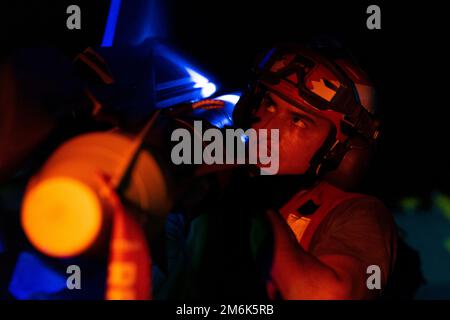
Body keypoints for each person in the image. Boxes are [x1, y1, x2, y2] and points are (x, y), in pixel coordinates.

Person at [222, 43, 398, 299]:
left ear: (339, 149)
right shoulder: (212, 186)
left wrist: (243, 195)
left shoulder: (357, 214)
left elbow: (327, 295)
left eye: (298, 121)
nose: (267, 129)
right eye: (269, 104)